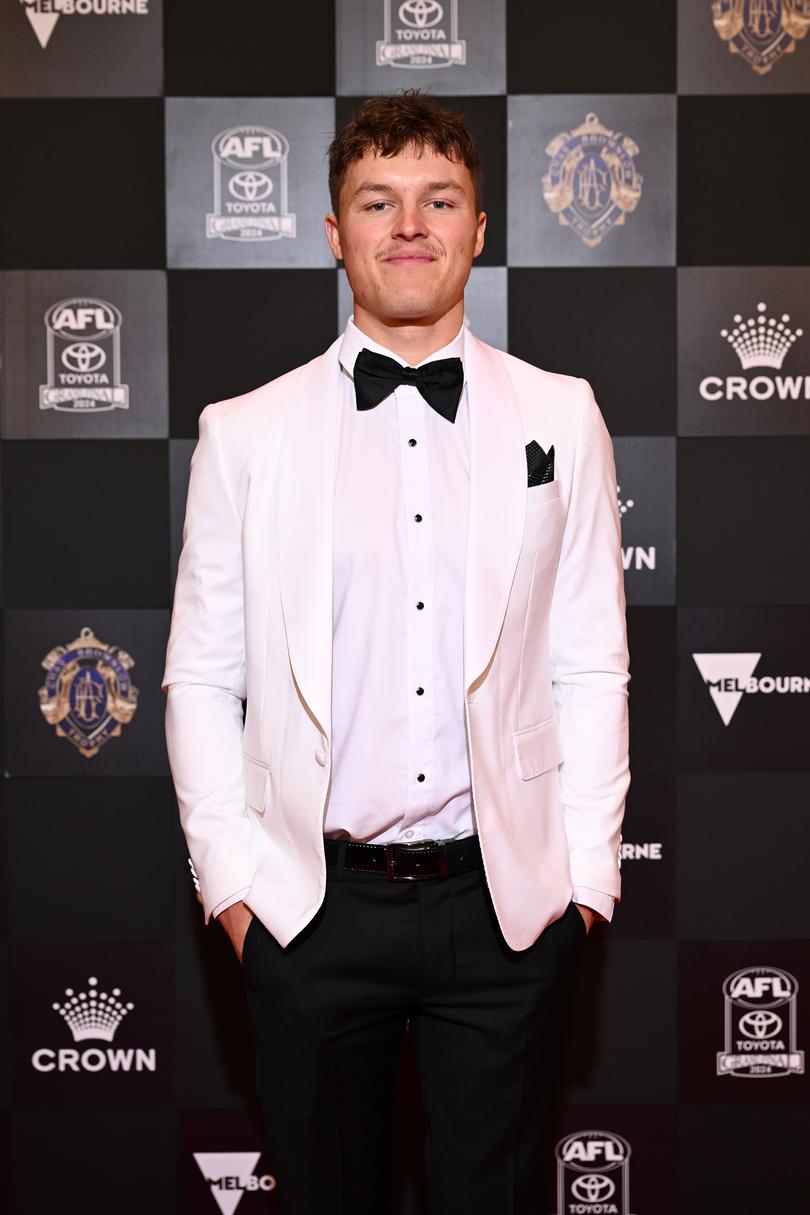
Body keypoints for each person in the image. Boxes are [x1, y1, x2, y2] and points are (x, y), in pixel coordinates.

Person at [162, 88, 630, 1215]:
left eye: (438, 200)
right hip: (311, 908)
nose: (408, 225)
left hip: (504, 908)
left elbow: (591, 663)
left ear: (480, 228)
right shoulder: (245, 432)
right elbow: (200, 676)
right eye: (378, 201)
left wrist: (584, 885)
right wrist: (236, 890)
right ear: (336, 234)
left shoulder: (562, 415)